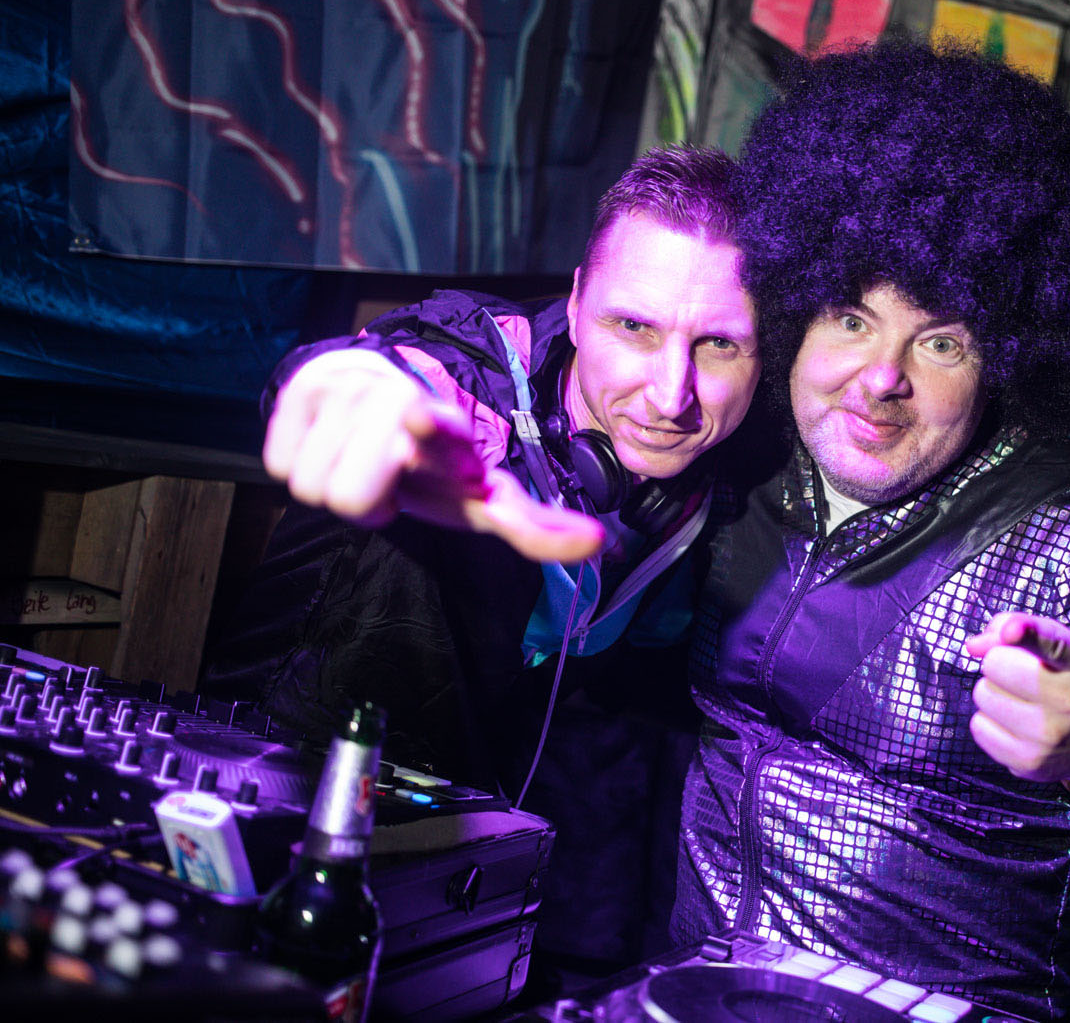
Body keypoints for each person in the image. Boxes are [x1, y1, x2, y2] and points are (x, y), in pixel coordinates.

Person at [667, 43, 1070, 1021]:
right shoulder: (740, 461)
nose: (882, 377)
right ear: (794, 311)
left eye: (942, 340)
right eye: (851, 318)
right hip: (696, 994)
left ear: (1008, 356)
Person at [202, 145, 758, 967]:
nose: (670, 394)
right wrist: (343, 387)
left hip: (460, 872)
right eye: (633, 327)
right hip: (277, 816)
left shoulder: (713, 487)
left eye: (718, 345)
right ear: (576, 303)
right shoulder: (471, 384)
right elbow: (397, 369)